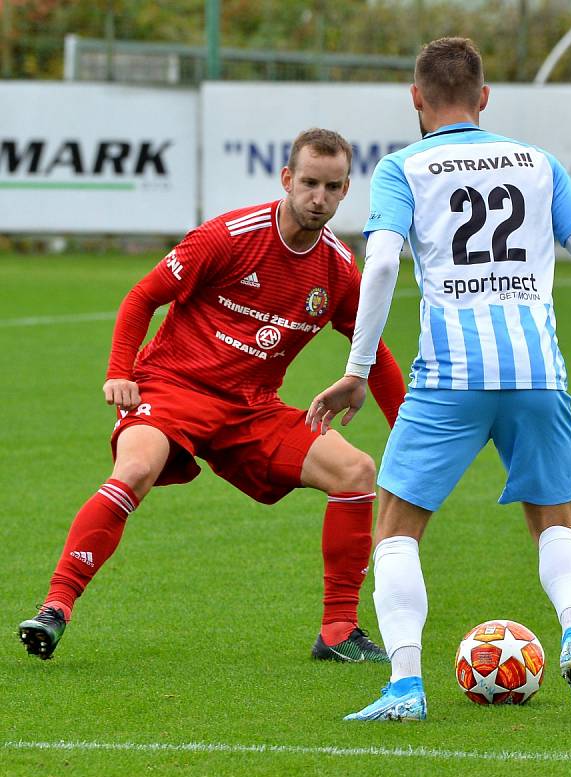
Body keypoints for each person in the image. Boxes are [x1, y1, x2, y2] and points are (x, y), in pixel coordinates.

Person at [307, 38, 571, 721]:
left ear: (417, 98)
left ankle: (405, 685)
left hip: (450, 376)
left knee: (397, 531)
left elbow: (378, 269)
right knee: (555, 523)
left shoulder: (403, 168)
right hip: (539, 373)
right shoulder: (539, 163)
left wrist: (356, 372)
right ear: (485, 96)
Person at [18, 128, 406, 664]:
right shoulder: (228, 236)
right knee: (134, 470)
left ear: (345, 192)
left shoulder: (339, 270)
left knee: (356, 473)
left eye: (332, 187)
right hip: (172, 389)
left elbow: (376, 354)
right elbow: (142, 298)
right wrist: (119, 372)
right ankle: (55, 608)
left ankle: (338, 630)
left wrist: (410, 431)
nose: (319, 198)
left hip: (251, 409)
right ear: (287, 179)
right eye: (310, 183)